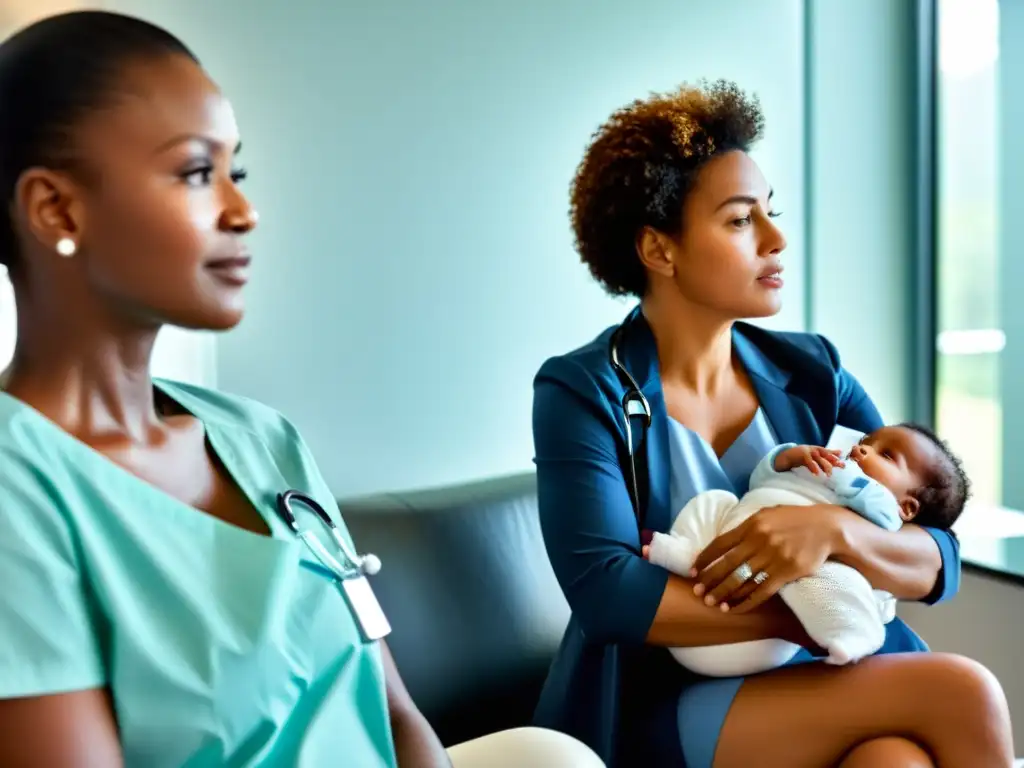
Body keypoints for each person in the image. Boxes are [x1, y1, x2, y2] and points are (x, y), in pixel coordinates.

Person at [0, 11, 603, 768]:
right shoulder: (18, 489)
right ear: (57, 208)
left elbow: (396, 717)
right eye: (195, 172)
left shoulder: (261, 440)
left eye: (237, 172)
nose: (243, 211)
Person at [530, 80, 1015, 767]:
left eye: (771, 212)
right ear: (659, 250)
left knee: (894, 762)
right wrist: (815, 606)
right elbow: (610, 595)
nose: (777, 239)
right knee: (964, 690)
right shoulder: (583, 389)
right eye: (739, 221)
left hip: (816, 676)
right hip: (667, 699)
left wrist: (833, 531)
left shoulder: (814, 371)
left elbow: (935, 554)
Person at [644, 424, 970, 675]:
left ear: (908, 508)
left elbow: (943, 552)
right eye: (866, 442)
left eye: (884, 455)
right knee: (713, 503)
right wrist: (789, 457)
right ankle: (688, 555)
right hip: (726, 556)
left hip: (792, 589)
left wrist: (830, 525)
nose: (861, 449)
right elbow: (761, 479)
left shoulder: (880, 502)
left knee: (825, 577)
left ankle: (852, 632)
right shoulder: (822, 465)